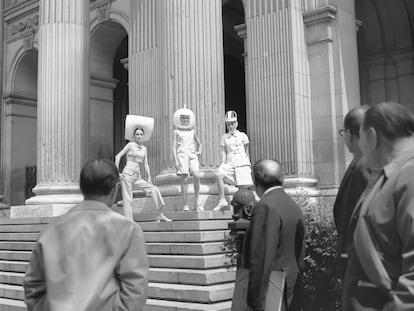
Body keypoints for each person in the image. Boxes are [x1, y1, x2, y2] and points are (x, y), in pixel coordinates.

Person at [23, 159, 149, 311]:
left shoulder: (51, 230)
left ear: (81, 188)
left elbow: (33, 287)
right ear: (116, 189)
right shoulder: (128, 230)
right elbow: (135, 291)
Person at [342, 102, 414, 311]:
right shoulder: (393, 174)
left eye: (362, 140)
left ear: (372, 137)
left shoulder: (409, 176)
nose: (361, 151)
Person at [242, 159, 305, 311]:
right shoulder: (292, 205)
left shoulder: (265, 206)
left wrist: (255, 302)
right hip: (291, 289)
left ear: (255, 179)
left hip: (272, 293)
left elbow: (261, 258)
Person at [333, 106, 370, 277]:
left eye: (343, 132)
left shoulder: (362, 167)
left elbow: (353, 217)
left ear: (349, 134)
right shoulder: (367, 163)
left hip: (359, 267)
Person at [115, 115, 171, 222]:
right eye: (137, 134)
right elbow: (118, 156)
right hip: (127, 174)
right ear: (134, 136)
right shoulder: (130, 145)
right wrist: (117, 172)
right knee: (128, 199)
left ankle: (160, 214)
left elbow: (146, 164)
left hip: (137, 176)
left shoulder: (144, 148)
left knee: (154, 189)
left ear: (143, 136)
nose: (139, 136)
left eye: (141, 134)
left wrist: (149, 177)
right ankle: (129, 221)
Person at [214, 110, 253, 211]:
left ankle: (244, 209)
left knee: (243, 189)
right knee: (219, 175)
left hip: (242, 162)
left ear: (236, 123)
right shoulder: (224, 137)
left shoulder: (243, 136)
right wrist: (222, 164)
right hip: (230, 162)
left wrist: (249, 165)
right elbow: (223, 152)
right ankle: (222, 200)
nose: (231, 126)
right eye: (228, 124)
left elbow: (246, 151)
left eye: (232, 124)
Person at [172, 108, 203, 211]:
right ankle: (185, 204)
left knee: (196, 175)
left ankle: (197, 200)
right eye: (183, 118)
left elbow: (199, 143)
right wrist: (176, 160)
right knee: (184, 179)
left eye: (186, 118)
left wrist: (199, 151)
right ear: (180, 120)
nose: (185, 120)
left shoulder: (192, 131)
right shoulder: (176, 131)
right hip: (182, 154)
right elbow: (174, 147)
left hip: (192, 154)